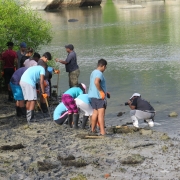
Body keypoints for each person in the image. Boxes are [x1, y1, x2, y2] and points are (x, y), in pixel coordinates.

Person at [88, 59, 110, 136]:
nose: (105, 69)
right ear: (103, 66)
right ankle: (102, 132)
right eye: (105, 67)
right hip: (99, 97)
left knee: (95, 113)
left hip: (92, 95)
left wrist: (105, 92)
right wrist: (101, 92)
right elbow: (96, 82)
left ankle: (93, 130)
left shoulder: (93, 72)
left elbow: (94, 85)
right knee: (101, 114)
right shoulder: (99, 73)